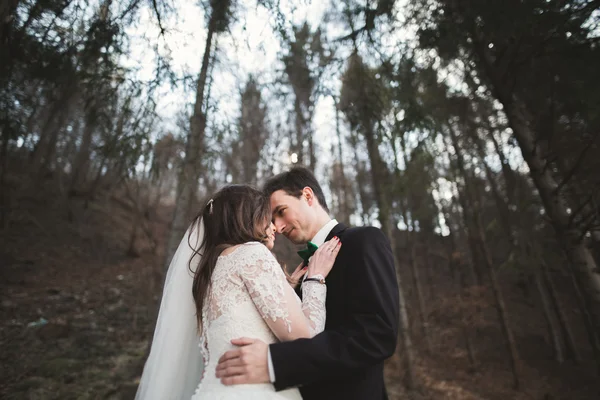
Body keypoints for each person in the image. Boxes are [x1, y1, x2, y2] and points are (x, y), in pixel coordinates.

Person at [134, 184, 341, 400]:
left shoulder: (210, 272)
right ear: (249, 218)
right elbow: (305, 338)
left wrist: (285, 292)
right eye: (267, 218)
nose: (274, 227)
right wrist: (315, 279)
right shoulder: (252, 253)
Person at [215, 167, 400, 400]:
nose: (278, 227)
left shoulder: (363, 241)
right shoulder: (301, 271)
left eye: (281, 212)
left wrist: (275, 361)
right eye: (272, 220)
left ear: (308, 196)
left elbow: (377, 335)